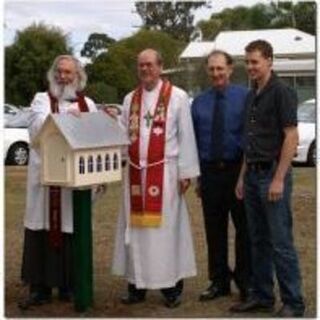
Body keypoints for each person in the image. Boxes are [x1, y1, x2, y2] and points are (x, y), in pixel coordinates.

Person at [112, 48, 200, 308]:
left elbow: (186, 134)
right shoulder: (130, 99)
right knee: (135, 230)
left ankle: (170, 287)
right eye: (141, 65)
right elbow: (122, 134)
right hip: (136, 175)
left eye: (150, 65)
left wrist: (186, 172)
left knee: (165, 232)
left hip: (166, 174)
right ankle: (136, 285)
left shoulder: (178, 97)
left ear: (160, 66)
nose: (145, 70)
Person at [230, 40, 305, 317]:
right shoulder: (252, 94)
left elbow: (291, 136)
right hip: (251, 177)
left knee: (280, 242)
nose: (250, 66)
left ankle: (294, 302)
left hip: (272, 176)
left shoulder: (282, 92)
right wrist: (241, 177)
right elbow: (250, 142)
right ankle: (262, 296)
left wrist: (279, 179)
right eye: (247, 61)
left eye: (255, 62)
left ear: (269, 61)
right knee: (257, 240)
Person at [19, 55, 97, 310]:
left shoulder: (89, 104)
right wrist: (68, 120)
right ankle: (39, 288)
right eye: (59, 72)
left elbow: (94, 136)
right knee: (42, 229)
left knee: (71, 229)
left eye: (69, 73)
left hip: (73, 184)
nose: (63, 77)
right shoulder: (42, 100)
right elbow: (38, 130)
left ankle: (69, 286)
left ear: (78, 76)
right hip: (46, 182)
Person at [191, 50, 251, 302]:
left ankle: (245, 282)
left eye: (220, 68)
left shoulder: (246, 97)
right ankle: (219, 281)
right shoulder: (199, 103)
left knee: (244, 230)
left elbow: (251, 137)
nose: (216, 73)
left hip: (237, 171)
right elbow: (193, 141)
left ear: (230, 69)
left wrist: (244, 176)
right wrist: (198, 177)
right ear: (208, 71)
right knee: (214, 230)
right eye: (212, 69)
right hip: (209, 173)